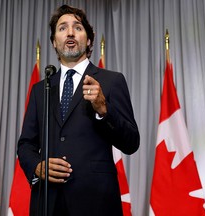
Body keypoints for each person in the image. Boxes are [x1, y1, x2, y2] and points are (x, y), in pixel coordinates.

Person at [17, 4, 140, 216]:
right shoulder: (41, 88)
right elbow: (26, 144)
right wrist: (37, 166)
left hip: (96, 201)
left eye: (78, 27)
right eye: (62, 28)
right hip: (47, 201)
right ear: (55, 42)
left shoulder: (111, 81)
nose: (70, 32)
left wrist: (104, 109)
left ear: (89, 39)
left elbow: (131, 142)